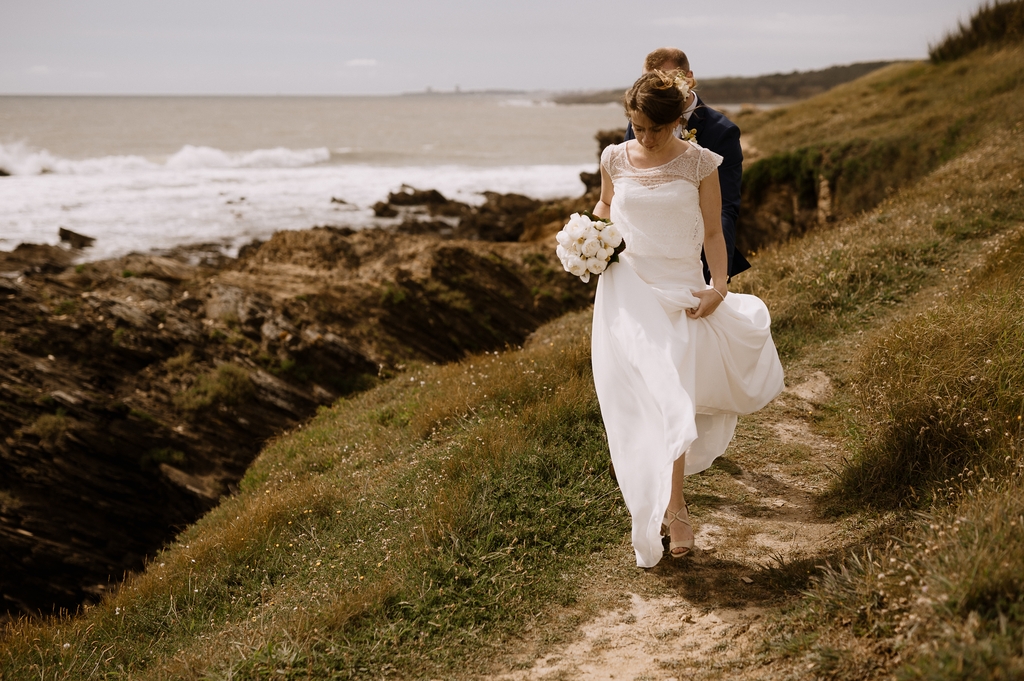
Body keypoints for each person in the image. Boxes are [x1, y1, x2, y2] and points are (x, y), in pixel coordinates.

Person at [592, 70, 784, 567]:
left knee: (671, 396)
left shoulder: (700, 162)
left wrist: (719, 287)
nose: (646, 137)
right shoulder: (613, 157)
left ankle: (675, 509)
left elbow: (715, 234)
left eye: (656, 128)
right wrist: (589, 242)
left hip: (678, 292)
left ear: (679, 119)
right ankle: (649, 497)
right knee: (633, 401)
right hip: (626, 292)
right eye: (637, 126)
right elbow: (607, 207)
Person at [625, 47, 750, 284]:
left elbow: (725, 209)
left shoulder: (721, 133)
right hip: (642, 260)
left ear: (688, 78)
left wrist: (716, 279)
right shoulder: (638, 125)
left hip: (692, 263)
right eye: (647, 80)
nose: (655, 88)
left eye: (666, 80)